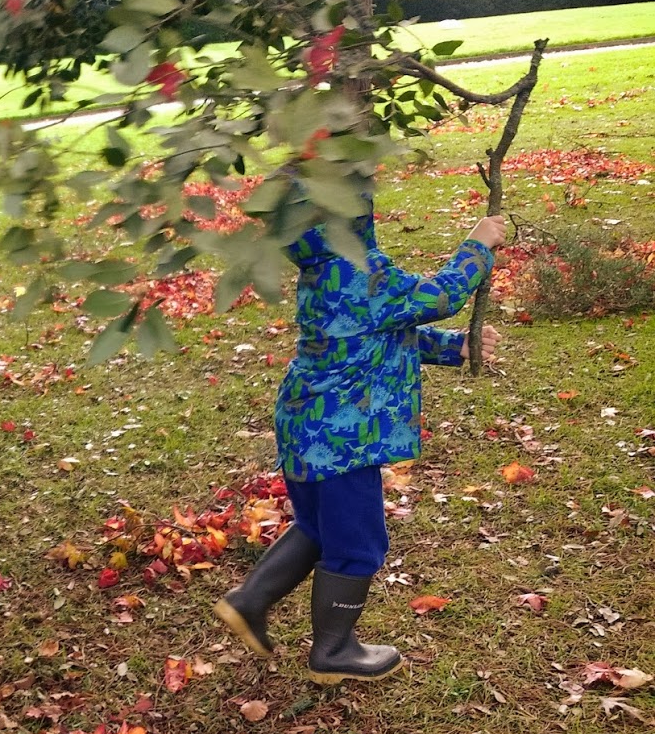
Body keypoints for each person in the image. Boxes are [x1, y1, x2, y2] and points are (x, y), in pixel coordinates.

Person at [214, 202, 506, 684]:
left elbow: (372, 334)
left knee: (316, 526)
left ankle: (249, 602)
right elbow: (437, 296)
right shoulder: (358, 271)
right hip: (344, 439)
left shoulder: (322, 273)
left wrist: (455, 346)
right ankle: (333, 649)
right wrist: (477, 245)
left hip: (306, 427)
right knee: (357, 544)